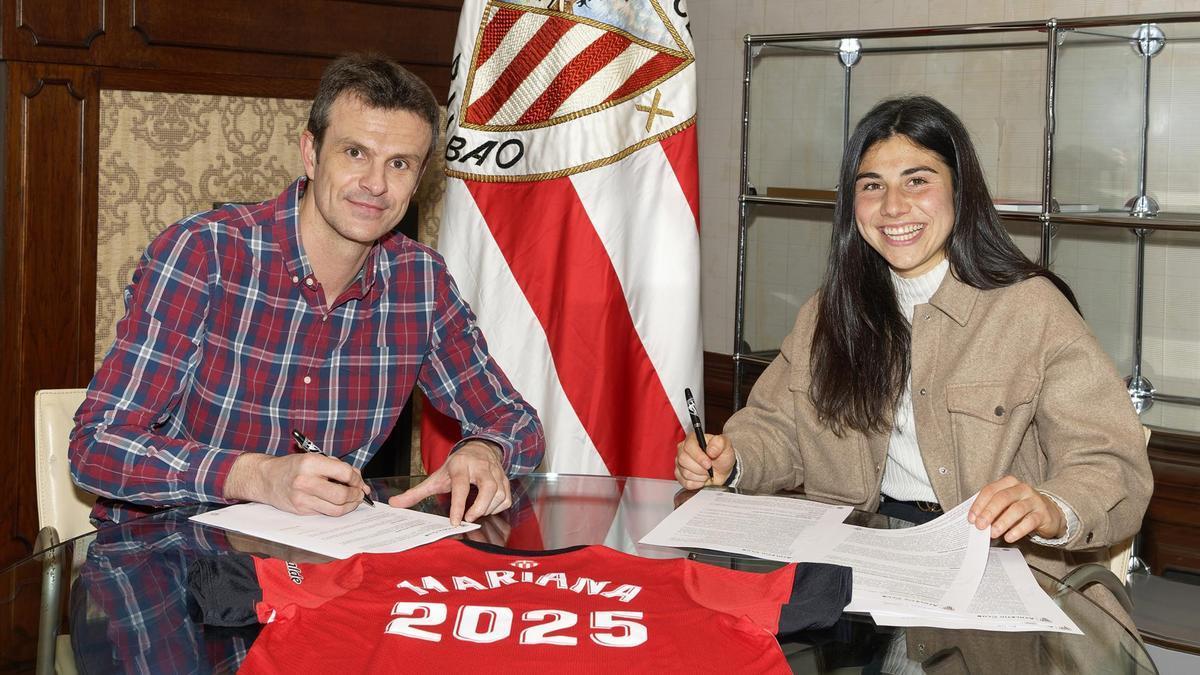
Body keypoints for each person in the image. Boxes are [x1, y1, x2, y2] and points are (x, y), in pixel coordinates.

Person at [676, 96, 1152, 577]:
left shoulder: (1033, 309)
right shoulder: (828, 311)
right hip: (853, 556)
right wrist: (733, 458)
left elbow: (1111, 464)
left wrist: (1052, 507)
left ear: (959, 191)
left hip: (998, 567)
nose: (893, 206)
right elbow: (778, 429)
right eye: (871, 185)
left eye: (917, 181)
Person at [70, 54, 544, 528]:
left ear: (418, 181)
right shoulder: (205, 253)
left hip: (318, 562)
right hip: (174, 553)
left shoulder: (420, 280)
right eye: (355, 153)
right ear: (311, 154)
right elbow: (97, 447)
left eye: (398, 164)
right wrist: (254, 476)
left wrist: (485, 448)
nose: (375, 184)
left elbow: (517, 422)